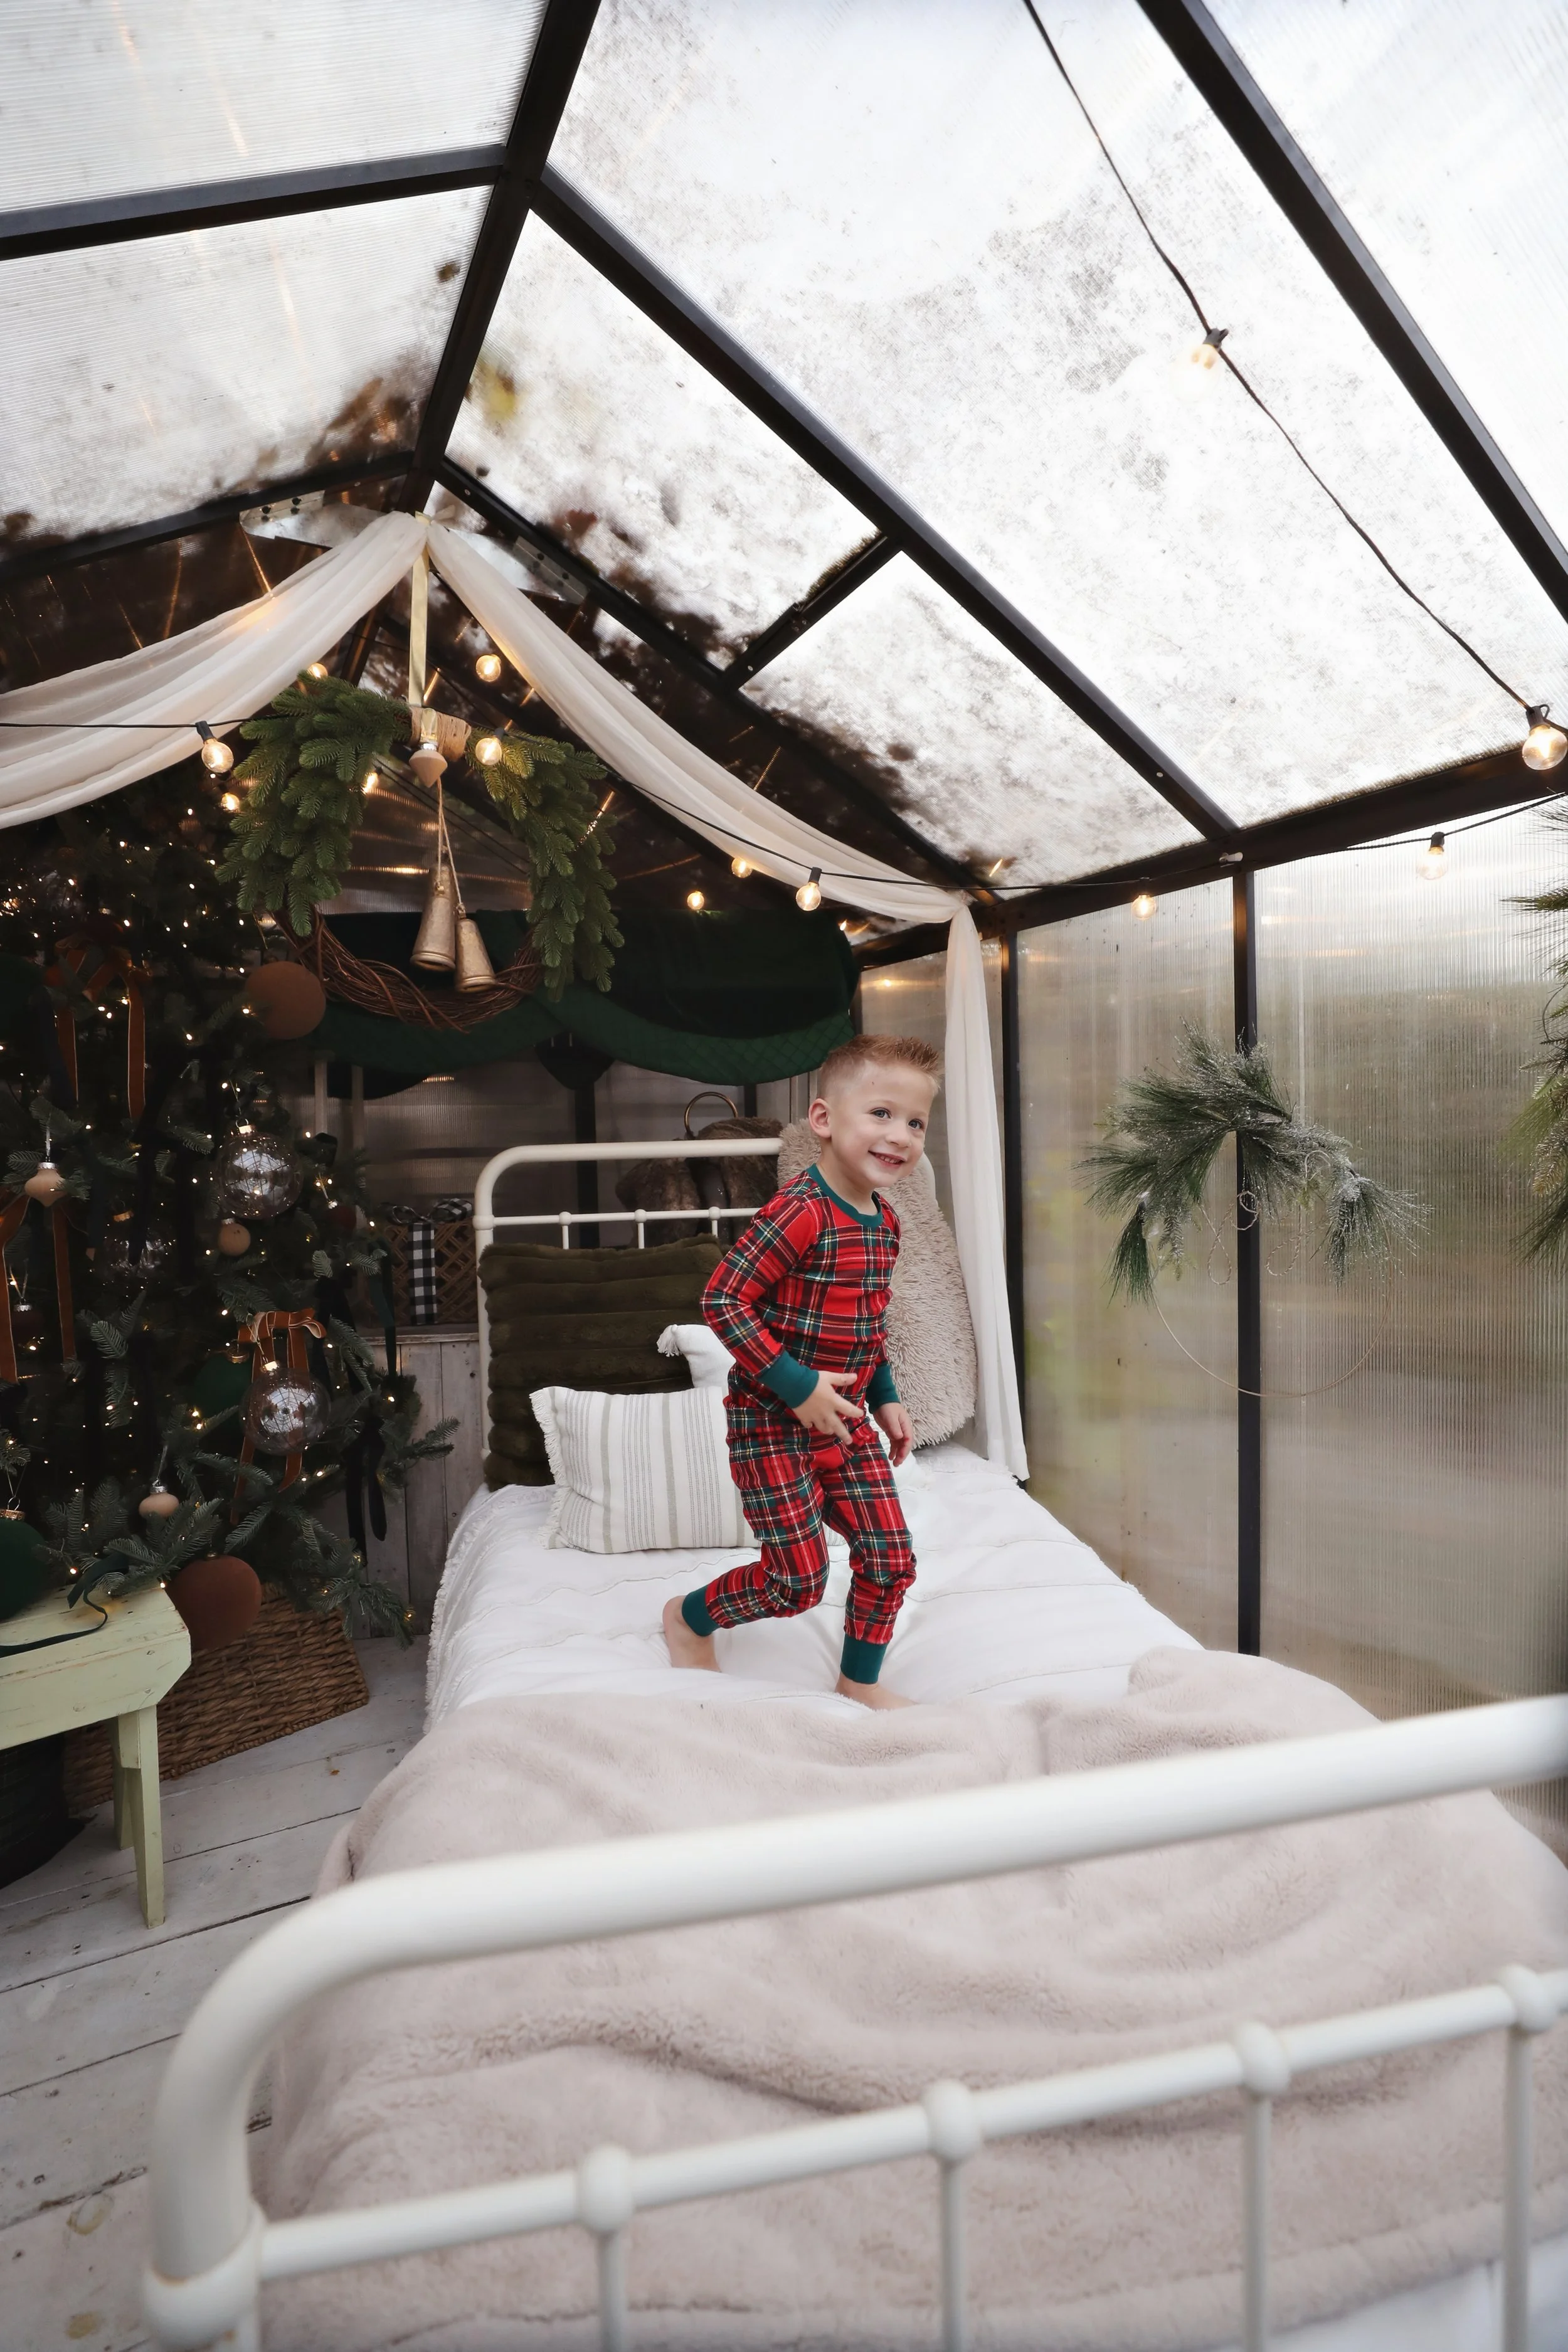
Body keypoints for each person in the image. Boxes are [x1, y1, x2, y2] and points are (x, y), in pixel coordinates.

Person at [662, 1032, 940, 1708]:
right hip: (771, 1426)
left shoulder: (887, 1224)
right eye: (880, 1113)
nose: (899, 1135)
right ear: (823, 1120)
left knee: (890, 1558)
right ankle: (688, 1618)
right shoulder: (799, 1211)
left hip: (843, 1425)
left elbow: (866, 1325)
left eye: (915, 1122)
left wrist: (887, 1397)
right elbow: (723, 1299)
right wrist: (797, 1386)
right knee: (796, 1581)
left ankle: (858, 1683)